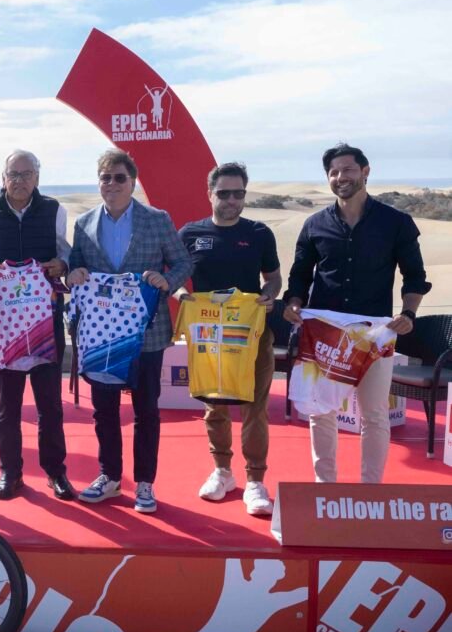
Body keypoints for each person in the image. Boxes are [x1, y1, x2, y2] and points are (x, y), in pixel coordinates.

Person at [283, 143, 429, 483]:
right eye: (333, 172)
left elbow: (415, 276)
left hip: (375, 333)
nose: (340, 177)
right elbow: (300, 275)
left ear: (365, 172)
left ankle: (370, 490)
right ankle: (325, 487)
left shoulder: (396, 223)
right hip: (324, 332)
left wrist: (408, 314)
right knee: (321, 411)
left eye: (348, 169)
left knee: (375, 414)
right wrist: (293, 302)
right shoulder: (314, 224)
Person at [67, 149, 191, 513]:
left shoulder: (157, 219)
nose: (112, 184)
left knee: (146, 412)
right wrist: (74, 274)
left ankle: (145, 484)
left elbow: (183, 262)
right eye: (105, 178)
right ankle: (109, 476)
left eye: (119, 177)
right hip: (101, 336)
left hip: (147, 334)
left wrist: (166, 281)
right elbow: (76, 267)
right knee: (104, 411)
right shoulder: (84, 223)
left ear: (132, 182)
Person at [175, 163, 282, 515]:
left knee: (255, 408)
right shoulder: (190, 233)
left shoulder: (259, 233)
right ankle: (222, 471)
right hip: (209, 335)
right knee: (214, 406)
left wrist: (268, 295)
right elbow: (173, 275)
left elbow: (273, 278)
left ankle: (255, 480)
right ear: (210, 194)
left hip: (252, 335)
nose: (231, 200)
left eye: (238, 193)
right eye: (224, 193)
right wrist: (180, 295)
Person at [0, 150, 74, 501]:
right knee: (8, 407)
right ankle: (10, 473)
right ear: (3, 178)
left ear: (37, 178)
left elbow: (65, 252)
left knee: (50, 405)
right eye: (13, 174)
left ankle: (56, 472)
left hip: (45, 322)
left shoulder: (54, 210)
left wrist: (62, 264)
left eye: (26, 174)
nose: (19, 180)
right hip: (4, 325)